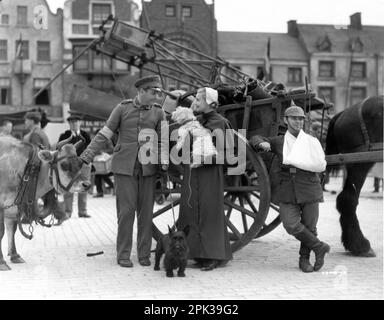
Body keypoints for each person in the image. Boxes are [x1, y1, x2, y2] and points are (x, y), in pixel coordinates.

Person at [80, 75, 168, 268]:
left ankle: (144, 255)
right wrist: (87, 155)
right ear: (142, 91)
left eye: (158, 93)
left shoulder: (159, 113)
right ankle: (123, 255)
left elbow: (163, 140)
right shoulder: (122, 108)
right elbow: (105, 134)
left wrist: (163, 162)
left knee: (145, 214)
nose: (156, 97)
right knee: (126, 213)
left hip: (149, 168)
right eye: (153, 92)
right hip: (124, 168)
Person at [250, 103, 330, 273]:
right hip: (287, 189)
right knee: (291, 224)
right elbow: (256, 138)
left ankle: (304, 259)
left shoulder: (310, 141)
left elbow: (320, 164)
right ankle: (319, 247)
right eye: (294, 119)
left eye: (301, 119)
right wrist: (260, 144)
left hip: (309, 187)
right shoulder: (279, 141)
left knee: (310, 226)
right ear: (286, 120)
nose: (298, 122)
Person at [176, 87, 233, 271]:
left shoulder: (220, 122)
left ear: (210, 103)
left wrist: (205, 159)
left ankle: (213, 256)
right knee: (190, 209)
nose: (195, 103)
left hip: (209, 173)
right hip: (192, 172)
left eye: (199, 100)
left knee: (209, 213)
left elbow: (227, 153)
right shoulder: (197, 120)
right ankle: (196, 253)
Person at [57, 114, 91, 223]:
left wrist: (89, 161)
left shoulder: (86, 135)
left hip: (84, 164)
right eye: (71, 122)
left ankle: (83, 211)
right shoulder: (64, 136)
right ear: (69, 124)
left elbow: (91, 149)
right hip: (70, 167)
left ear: (80, 123)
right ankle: (67, 212)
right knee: (69, 187)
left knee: (84, 186)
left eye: (76, 122)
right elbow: (60, 150)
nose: (74, 124)